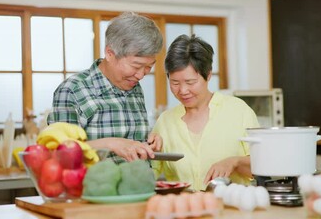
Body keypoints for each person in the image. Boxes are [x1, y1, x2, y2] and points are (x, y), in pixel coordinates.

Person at [47, 12, 163, 162]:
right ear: (110, 53)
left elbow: (130, 141)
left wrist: (149, 141)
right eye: (136, 65)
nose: (141, 75)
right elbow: (60, 154)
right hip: (93, 185)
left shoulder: (134, 86)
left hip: (139, 184)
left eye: (149, 67)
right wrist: (110, 143)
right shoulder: (72, 89)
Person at [152, 34, 260, 191]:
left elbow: (262, 169)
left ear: (208, 75)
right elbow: (149, 175)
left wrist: (234, 162)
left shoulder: (239, 111)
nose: (182, 90)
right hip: (185, 211)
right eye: (174, 82)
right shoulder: (165, 122)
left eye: (190, 82)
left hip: (231, 211)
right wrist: (146, 151)